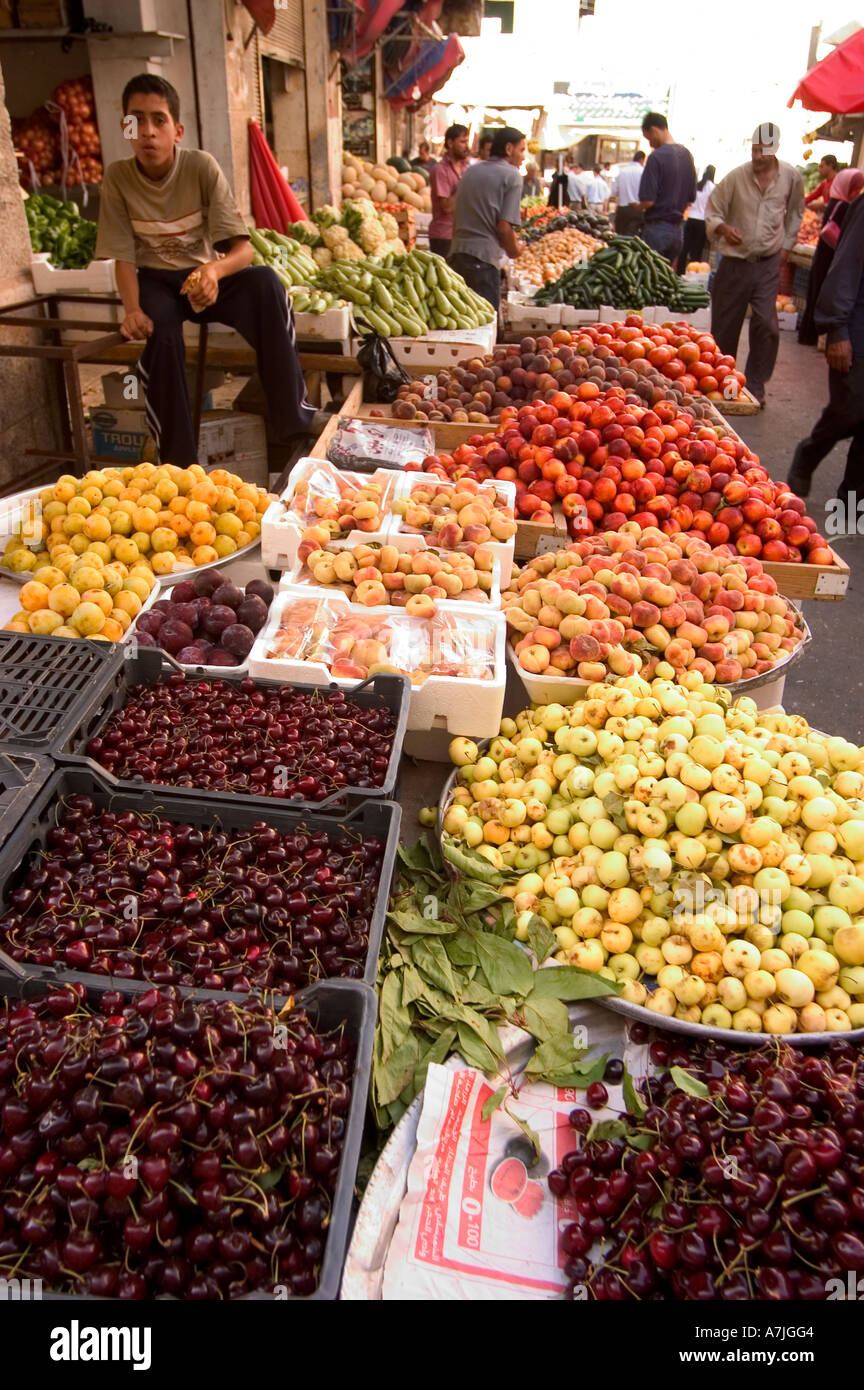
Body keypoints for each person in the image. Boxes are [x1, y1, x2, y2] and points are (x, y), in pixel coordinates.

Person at [96, 73, 319, 467]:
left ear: (177, 130)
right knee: (159, 331)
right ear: (125, 127)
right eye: (137, 120)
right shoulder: (117, 177)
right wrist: (132, 310)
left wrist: (215, 272)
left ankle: (295, 421)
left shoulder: (200, 167)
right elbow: (123, 258)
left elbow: (242, 251)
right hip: (154, 282)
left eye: (159, 120)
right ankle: (178, 461)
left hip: (201, 276)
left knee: (267, 285)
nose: (148, 131)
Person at [706, 122, 805, 407]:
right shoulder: (736, 177)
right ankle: (723, 390)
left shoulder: (791, 177)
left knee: (767, 324)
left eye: (763, 150)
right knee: (725, 328)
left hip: (767, 263)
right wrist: (723, 228)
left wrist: (787, 244)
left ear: (775, 150)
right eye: (754, 148)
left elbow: (796, 211)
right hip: (735, 264)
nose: (757, 155)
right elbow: (713, 210)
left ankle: (756, 385)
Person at [787, 189, 864, 509]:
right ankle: (809, 453)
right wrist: (836, 328)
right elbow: (846, 265)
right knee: (850, 410)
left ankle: (852, 501)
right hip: (857, 330)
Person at [449, 126, 525, 310]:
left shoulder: (471, 170)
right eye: (522, 150)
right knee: (486, 326)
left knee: (463, 322)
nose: (523, 157)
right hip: (483, 262)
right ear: (508, 149)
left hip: (456, 257)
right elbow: (504, 228)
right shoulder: (512, 175)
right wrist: (516, 251)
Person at [798, 168, 864, 345]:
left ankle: (807, 334)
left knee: (815, 294)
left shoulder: (834, 202)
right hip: (831, 258)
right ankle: (812, 335)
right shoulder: (845, 206)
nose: (857, 191)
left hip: (825, 256)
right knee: (819, 294)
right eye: (855, 187)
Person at [636, 112, 697, 263]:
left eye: (649, 138)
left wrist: (637, 206)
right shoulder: (687, 155)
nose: (650, 144)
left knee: (650, 279)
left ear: (654, 130)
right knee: (667, 282)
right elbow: (691, 199)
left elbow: (648, 201)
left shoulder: (656, 157)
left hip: (657, 230)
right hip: (677, 231)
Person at [428, 123, 469, 259]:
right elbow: (446, 207)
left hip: (462, 235)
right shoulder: (440, 170)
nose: (466, 146)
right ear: (450, 143)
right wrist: (464, 185)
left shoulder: (466, 168)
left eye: (467, 141)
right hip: (443, 236)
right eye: (462, 142)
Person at [677, 165, 715, 272]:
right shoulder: (712, 188)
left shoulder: (696, 185)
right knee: (697, 250)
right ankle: (693, 272)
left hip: (691, 218)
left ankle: (679, 271)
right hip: (702, 221)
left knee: (685, 248)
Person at [612, 150, 645, 235]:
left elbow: (615, 192)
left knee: (620, 236)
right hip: (637, 209)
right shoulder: (643, 172)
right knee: (632, 239)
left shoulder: (622, 171)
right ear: (642, 160)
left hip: (623, 209)